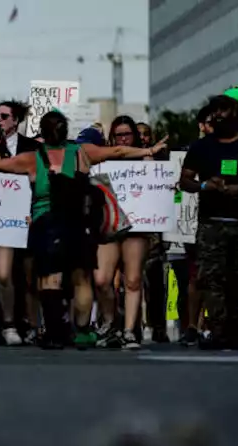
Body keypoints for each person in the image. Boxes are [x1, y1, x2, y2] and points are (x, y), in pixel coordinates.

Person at [0, 111, 166, 348]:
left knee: (49, 278)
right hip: (79, 222)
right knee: (82, 278)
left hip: (46, 223)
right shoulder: (82, 152)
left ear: (43, 133)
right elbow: (117, 151)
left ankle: (55, 333)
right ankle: (81, 331)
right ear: (67, 132)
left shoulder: (32, 158)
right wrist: (149, 151)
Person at [177, 86, 238, 350]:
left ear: (235, 114)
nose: (218, 117)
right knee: (214, 280)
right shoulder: (200, 147)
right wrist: (204, 185)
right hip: (212, 224)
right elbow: (184, 181)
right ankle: (223, 331)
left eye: (224, 112)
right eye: (215, 113)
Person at [94, 115, 153, 349]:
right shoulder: (105, 160)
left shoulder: (147, 160)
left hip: (137, 225)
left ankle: (129, 330)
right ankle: (110, 322)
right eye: (119, 135)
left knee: (133, 279)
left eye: (127, 134)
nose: (124, 139)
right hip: (109, 225)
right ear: (112, 138)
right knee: (101, 279)